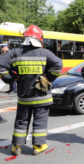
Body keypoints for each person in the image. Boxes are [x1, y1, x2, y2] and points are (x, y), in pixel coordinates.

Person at [0, 25, 62, 156]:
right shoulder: (45, 53)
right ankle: (38, 146)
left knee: (21, 120)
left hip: (24, 97)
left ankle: (16, 145)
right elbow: (58, 65)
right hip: (42, 96)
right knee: (40, 120)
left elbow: (1, 66)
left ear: (25, 38)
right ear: (40, 39)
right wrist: (48, 77)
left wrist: (11, 79)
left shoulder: (15, 52)